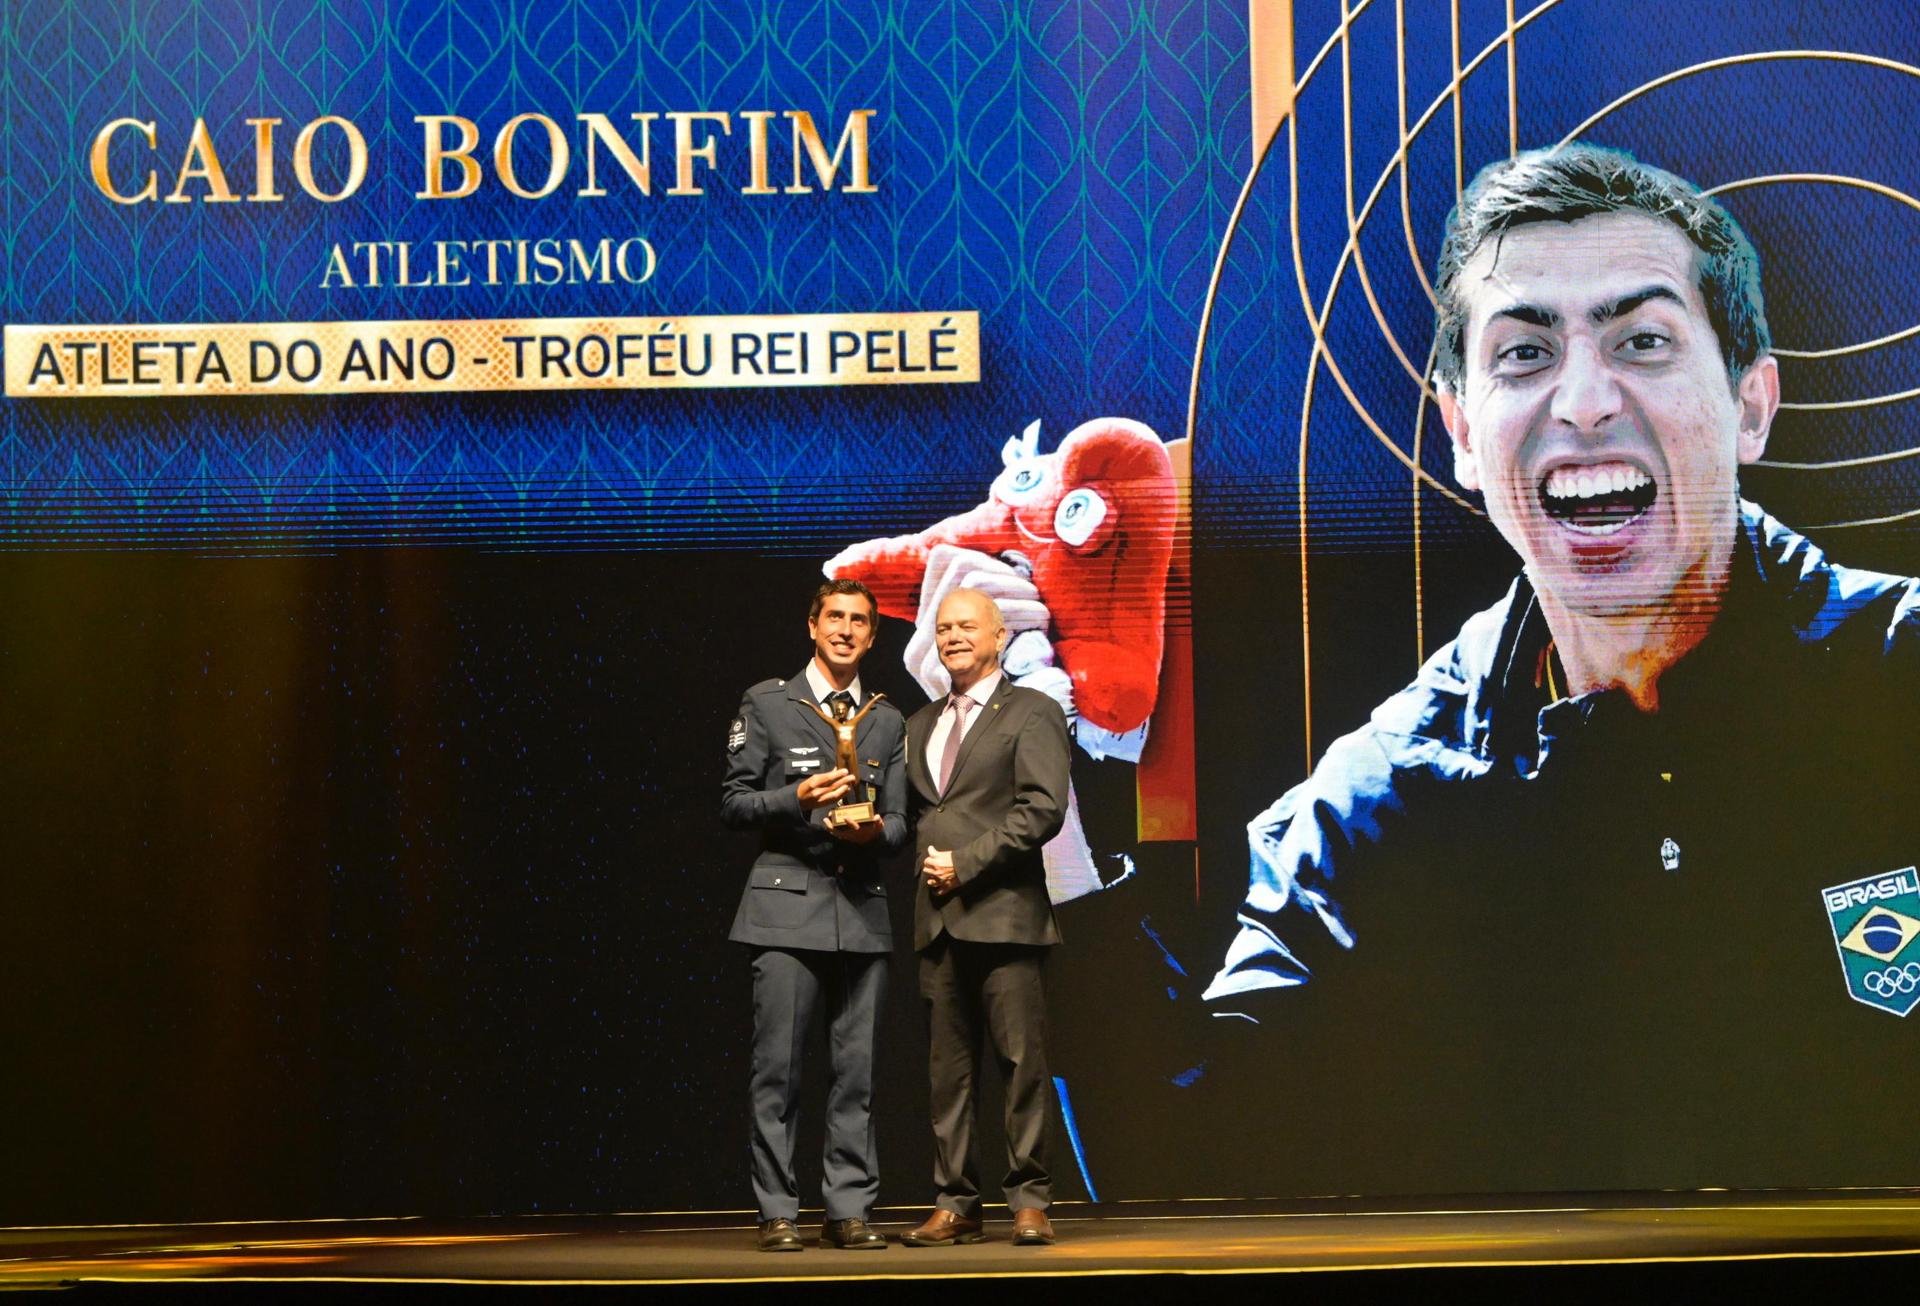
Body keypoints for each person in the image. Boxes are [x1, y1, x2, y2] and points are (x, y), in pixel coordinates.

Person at [1206, 143, 1920, 1012]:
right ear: (1462, 433)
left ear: (1753, 406)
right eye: (1524, 353)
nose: (1585, 401)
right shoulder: (1376, 810)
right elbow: (1217, 1131)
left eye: (1643, 340)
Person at [721, 579, 908, 1252]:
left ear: (873, 635)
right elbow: (734, 804)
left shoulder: (887, 719)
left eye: (860, 620)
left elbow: (900, 828)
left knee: (855, 1074)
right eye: (836, 617)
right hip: (784, 908)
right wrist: (794, 798)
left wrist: (873, 832)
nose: (847, 629)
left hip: (860, 911)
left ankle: (848, 1209)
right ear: (812, 625)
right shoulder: (769, 703)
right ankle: (777, 1211)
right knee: (778, 1070)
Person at [898, 588, 1073, 1248]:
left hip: (1004, 914)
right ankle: (956, 1203)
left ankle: (1029, 1199)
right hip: (938, 920)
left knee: (1020, 1061)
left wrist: (964, 863)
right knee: (949, 1073)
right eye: (943, 628)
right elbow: (922, 816)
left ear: (999, 636)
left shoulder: (1031, 711)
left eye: (967, 626)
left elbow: (1041, 810)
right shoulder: (919, 724)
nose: (953, 637)